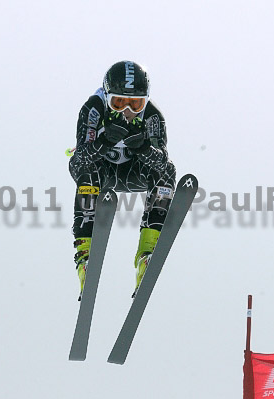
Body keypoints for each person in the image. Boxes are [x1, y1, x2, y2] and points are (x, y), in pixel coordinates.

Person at [69, 61, 176, 300]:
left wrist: (145, 148)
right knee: (87, 169)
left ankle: (146, 255)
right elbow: (77, 162)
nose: (127, 111)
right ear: (107, 97)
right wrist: (103, 141)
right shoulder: (94, 109)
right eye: (118, 102)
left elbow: (163, 165)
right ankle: (85, 257)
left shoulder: (152, 116)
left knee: (168, 173)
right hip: (102, 173)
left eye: (136, 104)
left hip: (133, 173)